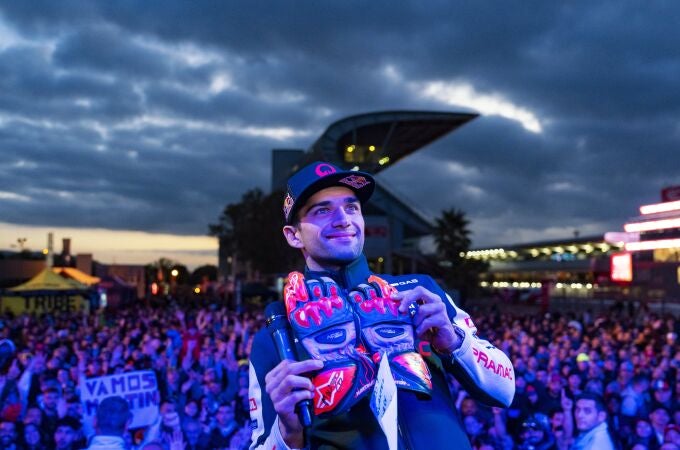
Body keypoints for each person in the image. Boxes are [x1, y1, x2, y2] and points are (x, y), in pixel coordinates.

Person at [248, 161, 515, 449]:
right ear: (293, 234)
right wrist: (287, 431)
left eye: (352, 208)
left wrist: (455, 342)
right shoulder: (276, 336)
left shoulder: (419, 291)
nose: (343, 220)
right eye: (322, 210)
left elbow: (505, 390)